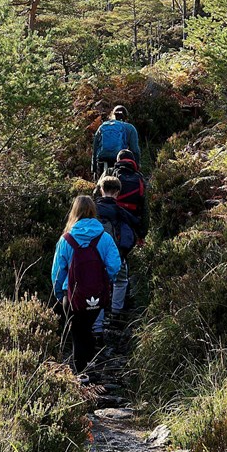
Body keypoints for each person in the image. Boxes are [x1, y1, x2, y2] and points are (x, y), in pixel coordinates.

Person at [51, 192, 122, 375]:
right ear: (93, 211)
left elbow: (57, 272)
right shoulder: (104, 237)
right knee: (87, 329)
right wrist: (105, 281)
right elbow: (115, 265)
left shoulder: (66, 239)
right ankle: (90, 371)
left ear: (74, 212)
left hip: (72, 295)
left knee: (77, 333)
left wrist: (60, 294)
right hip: (96, 295)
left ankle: (82, 375)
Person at [94, 149, 148, 335]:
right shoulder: (139, 179)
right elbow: (141, 214)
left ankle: (97, 326)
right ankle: (116, 313)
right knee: (120, 276)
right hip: (120, 244)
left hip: (96, 247)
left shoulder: (107, 177)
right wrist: (141, 234)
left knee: (98, 282)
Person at [92, 105, 140, 175]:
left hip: (102, 160)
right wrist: (136, 166)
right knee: (118, 184)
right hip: (120, 162)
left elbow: (95, 147)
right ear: (126, 117)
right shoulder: (130, 128)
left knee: (102, 184)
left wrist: (94, 168)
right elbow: (135, 150)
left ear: (112, 115)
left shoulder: (103, 126)